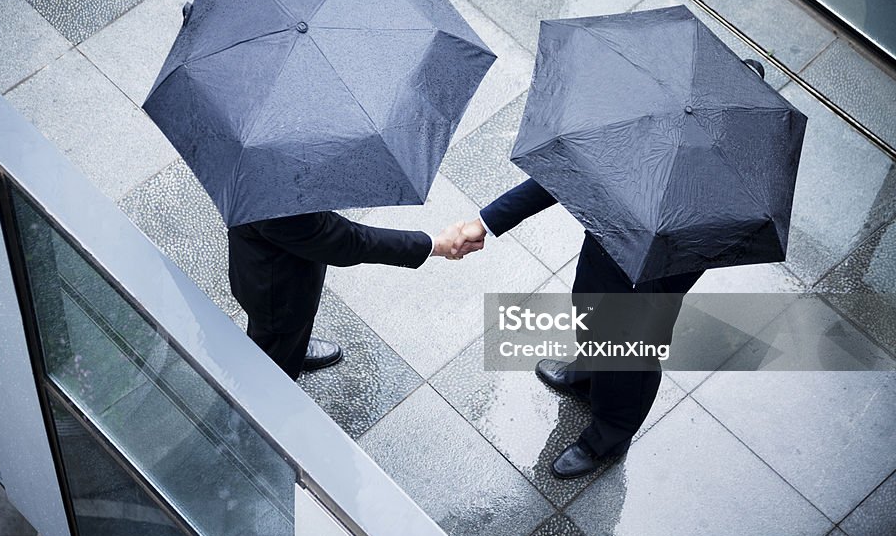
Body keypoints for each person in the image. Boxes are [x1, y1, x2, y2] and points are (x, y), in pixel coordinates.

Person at [449, 179, 702, 478]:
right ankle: (589, 376)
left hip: (675, 249)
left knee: (632, 347)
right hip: (610, 234)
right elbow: (571, 166)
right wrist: (487, 221)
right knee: (590, 305)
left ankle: (609, 438)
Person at [229, 214, 477, 380]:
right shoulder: (282, 205)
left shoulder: (250, 171)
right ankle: (272, 380)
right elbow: (349, 241)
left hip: (262, 269)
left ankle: (288, 352)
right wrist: (433, 245)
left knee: (280, 335)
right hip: (279, 295)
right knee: (275, 351)